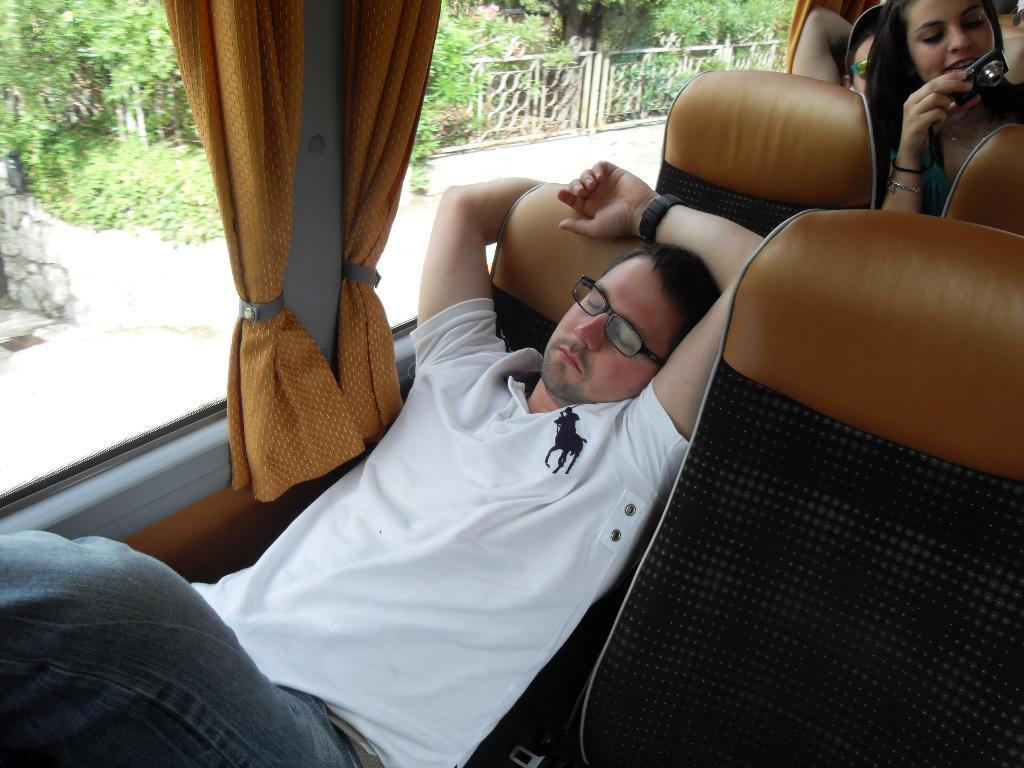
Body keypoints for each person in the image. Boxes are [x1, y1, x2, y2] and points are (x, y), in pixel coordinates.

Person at [0, 162, 762, 768]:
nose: (588, 334)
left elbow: (760, 269)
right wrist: (575, 196)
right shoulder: (464, 373)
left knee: (108, 590)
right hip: (222, 638)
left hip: (330, 739)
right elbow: (464, 206)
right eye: (594, 301)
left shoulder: (626, 456)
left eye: (626, 338)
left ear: (662, 371)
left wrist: (645, 211)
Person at [866, 0, 1024, 215]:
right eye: (933, 36)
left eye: (973, 22)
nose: (960, 42)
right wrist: (909, 155)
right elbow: (894, 234)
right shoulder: (882, 136)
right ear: (906, 60)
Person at [792, 4, 882, 93]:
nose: (882, 74)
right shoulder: (829, 101)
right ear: (848, 84)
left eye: (889, 63)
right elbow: (818, 21)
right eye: (867, 68)